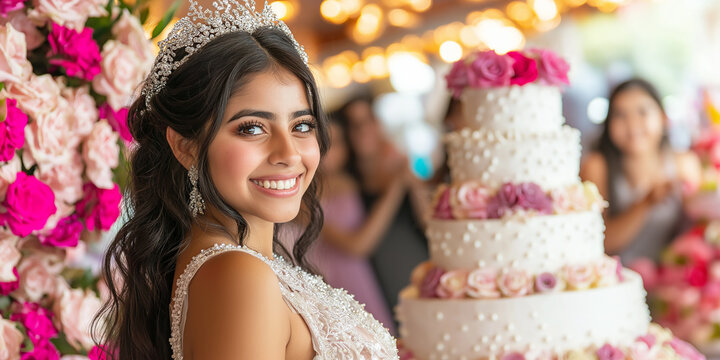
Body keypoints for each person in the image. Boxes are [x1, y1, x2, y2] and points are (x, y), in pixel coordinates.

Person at [93, 1, 399, 359]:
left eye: (302, 125)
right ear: (185, 146)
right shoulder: (237, 276)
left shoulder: (241, 267)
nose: (288, 153)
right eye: (252, 128)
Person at [580, 78, 701, 264]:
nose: (632, 124)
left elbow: (699, 231)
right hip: (618, 280)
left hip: (670, 280)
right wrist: (645, 202)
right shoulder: (596, 165)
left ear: (663, 118)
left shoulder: (684, 163)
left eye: (642, 112)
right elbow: (600, 243)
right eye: (620, 115)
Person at [304, 120, 407, 335]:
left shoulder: (350, 183)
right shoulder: (303, 198)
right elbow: (357, 245)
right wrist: (396, 188)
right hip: (328, 282)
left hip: (358, 278)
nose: (329, 150)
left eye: (337, 142)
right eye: (321, 141)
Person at [337, 97, 429, 316]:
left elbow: (430, 223)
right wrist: (396, 186)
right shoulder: (344, 185)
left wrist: (409, 179)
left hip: (419, 269)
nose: (363, 130)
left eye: (368, 120)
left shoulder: (401, 166)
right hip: (379, 284)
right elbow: (360, 244)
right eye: (354, 124)